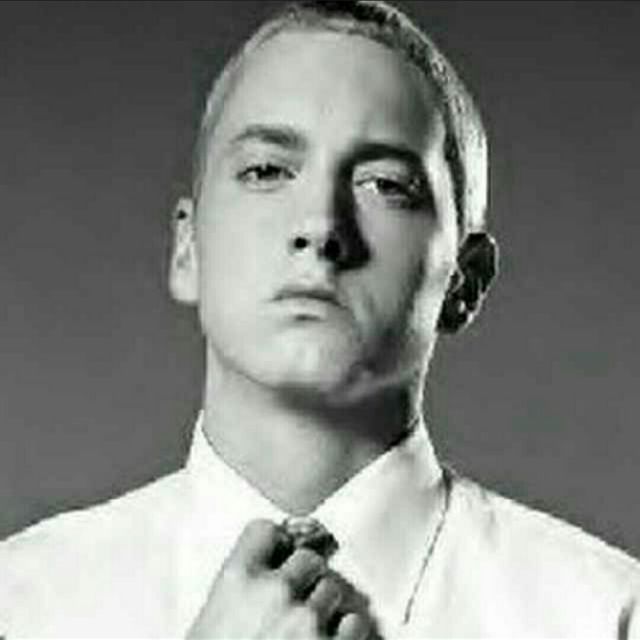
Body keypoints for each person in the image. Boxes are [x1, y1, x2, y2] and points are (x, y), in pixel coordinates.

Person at [1, 1, 639, 637]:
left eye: (386, 185)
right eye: (266, 171)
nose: (320, 225)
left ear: (464, 281)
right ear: (188, 249)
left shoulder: (607, 614)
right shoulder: (20, 603)